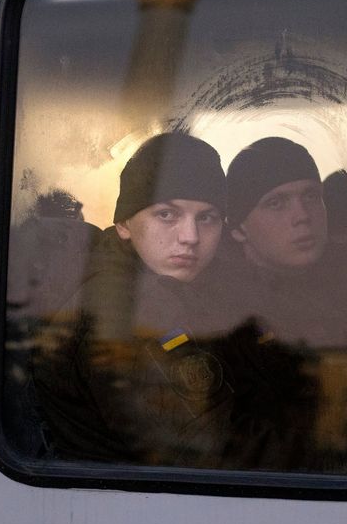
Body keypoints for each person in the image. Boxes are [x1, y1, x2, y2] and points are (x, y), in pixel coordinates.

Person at [29, 132, 241, 467]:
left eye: (207, 218)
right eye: (167, 215)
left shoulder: (171, 285)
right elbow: (197, 454)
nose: (191, 237)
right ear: (124, 223)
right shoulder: (127, 307)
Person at [223, 137, 347, 349]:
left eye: (311, 196)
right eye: (276, 203)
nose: (302, 216)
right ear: (238, 229)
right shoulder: (220, 304)